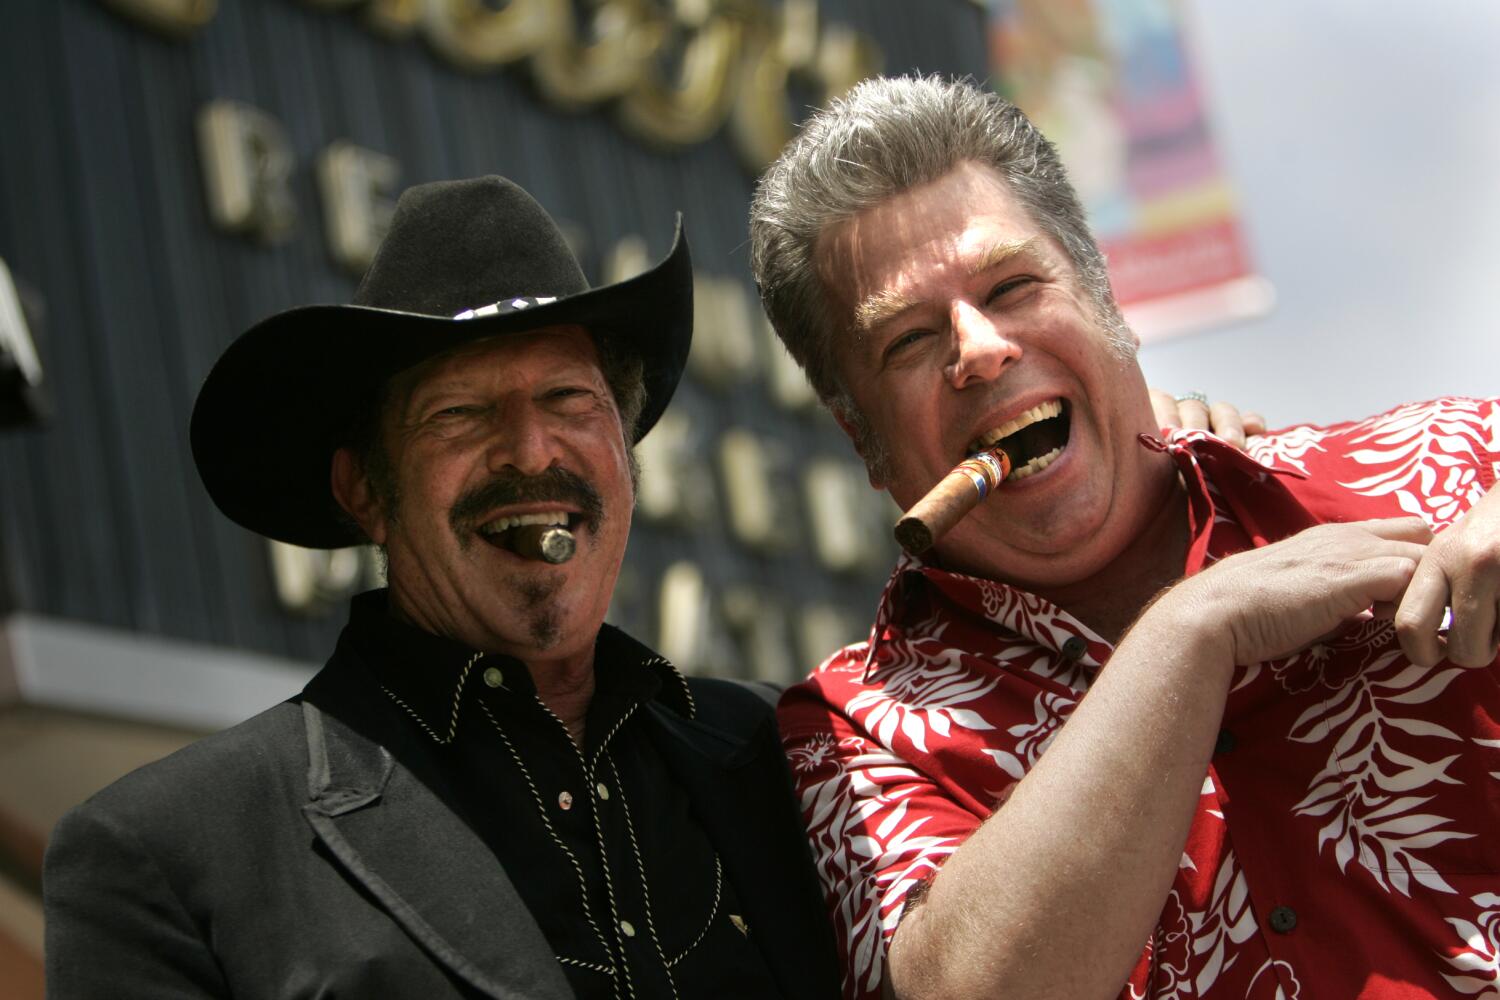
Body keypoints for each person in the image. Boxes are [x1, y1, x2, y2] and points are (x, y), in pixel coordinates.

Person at [748, 75, 1500, 1000]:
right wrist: (1194, 629)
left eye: (1014, 285)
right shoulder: (852, 731)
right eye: (907, 341)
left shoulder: (1457, 464)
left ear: (1105, 297)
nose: (980, 347)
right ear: (859, 435)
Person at [43, 176, 842, 998]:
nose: (532, 452)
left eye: (569, 398)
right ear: (366, 492)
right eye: (460, 412)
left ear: (628, 455)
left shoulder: (790, 757)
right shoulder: (166, 855)